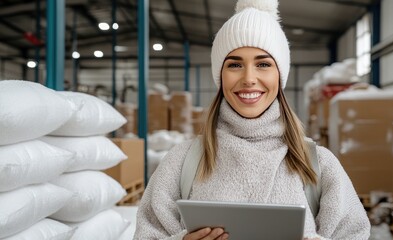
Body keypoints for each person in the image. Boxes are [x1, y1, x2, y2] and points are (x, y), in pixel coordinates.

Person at [134, 0, 371, 239]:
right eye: (235, 64)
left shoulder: (319, 165)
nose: (249, 78)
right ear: (220, 76)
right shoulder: (182, 161)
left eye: (263, 64)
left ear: (280, 75)